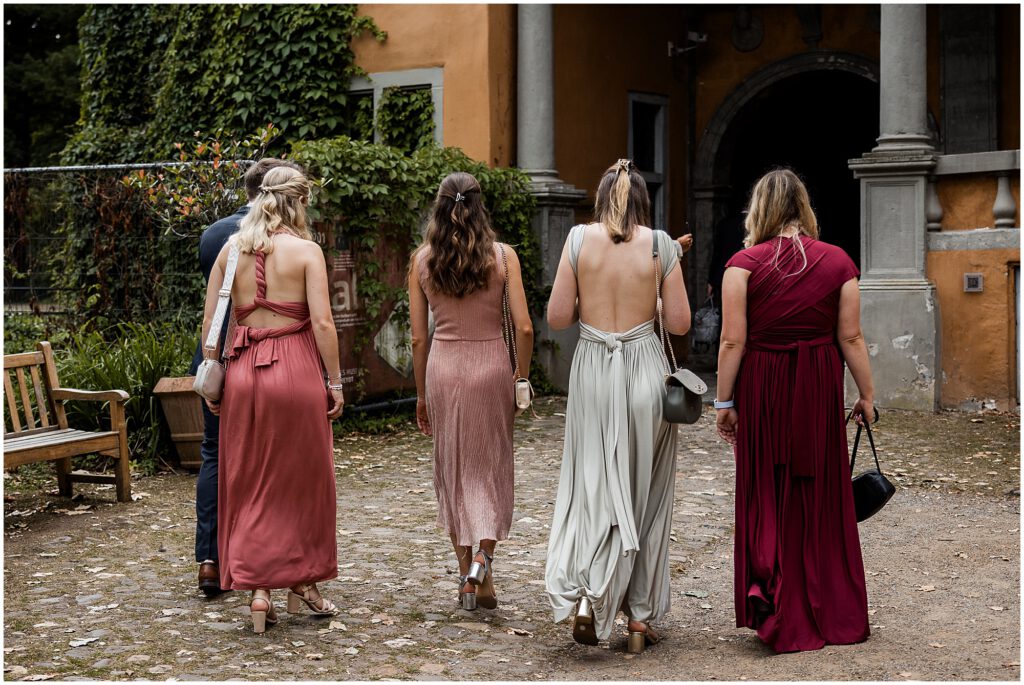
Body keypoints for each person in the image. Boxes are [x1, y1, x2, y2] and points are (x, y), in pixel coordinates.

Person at [714, 168, 874, 653]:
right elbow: (850, 337)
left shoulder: (741, 266)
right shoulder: (840, 263)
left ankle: (776, 604)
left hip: (764, 385)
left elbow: (732, 341)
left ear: (759, 209)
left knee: (768, 489)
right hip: (818, 385)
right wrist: (867, 395)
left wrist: (724, 401)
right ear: (804, 208)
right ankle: (832, 609)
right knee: (819, 492)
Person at [544, 159, 690, 654]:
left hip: (592, 373)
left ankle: (589, 593)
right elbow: (680, 323)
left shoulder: (578, 240)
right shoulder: (662, 244)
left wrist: (593, 300)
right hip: (645, 370)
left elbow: (558, 316)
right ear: (643, 202)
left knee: (592, 486)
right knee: (646, 492)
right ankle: (639, 620)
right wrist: (657, 288)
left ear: (601, 199)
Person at [200, 165, 344, 634]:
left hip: (243, 372)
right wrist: (335, 382)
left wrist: (215, 380)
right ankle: (303, 581)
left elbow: (210, 327)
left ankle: (259, 591)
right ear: (298, 201)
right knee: (303, 480)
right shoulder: (307, 252)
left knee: (250, 481)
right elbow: (322, 323)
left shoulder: (230, 251)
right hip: (296, 371)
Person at [408, 171, 533, 612]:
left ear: (439, 207)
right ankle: (484, 560)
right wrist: (521, 375)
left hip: (443, 367)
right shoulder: (503, 258)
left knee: (454, 470)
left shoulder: (422, 260)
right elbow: (524, 327)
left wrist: (421, 395)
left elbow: (418, 338)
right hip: (491, 366)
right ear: (480, 206)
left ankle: (467, 577)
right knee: (492, 466)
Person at [190, 157, 303, 597]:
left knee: (216, 455)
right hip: (268, 356)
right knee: (271, 462)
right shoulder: (289, 239)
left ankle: (210, 560)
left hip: (218, 359)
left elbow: (213, 308)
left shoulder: (214, 235)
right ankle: (269, 563)